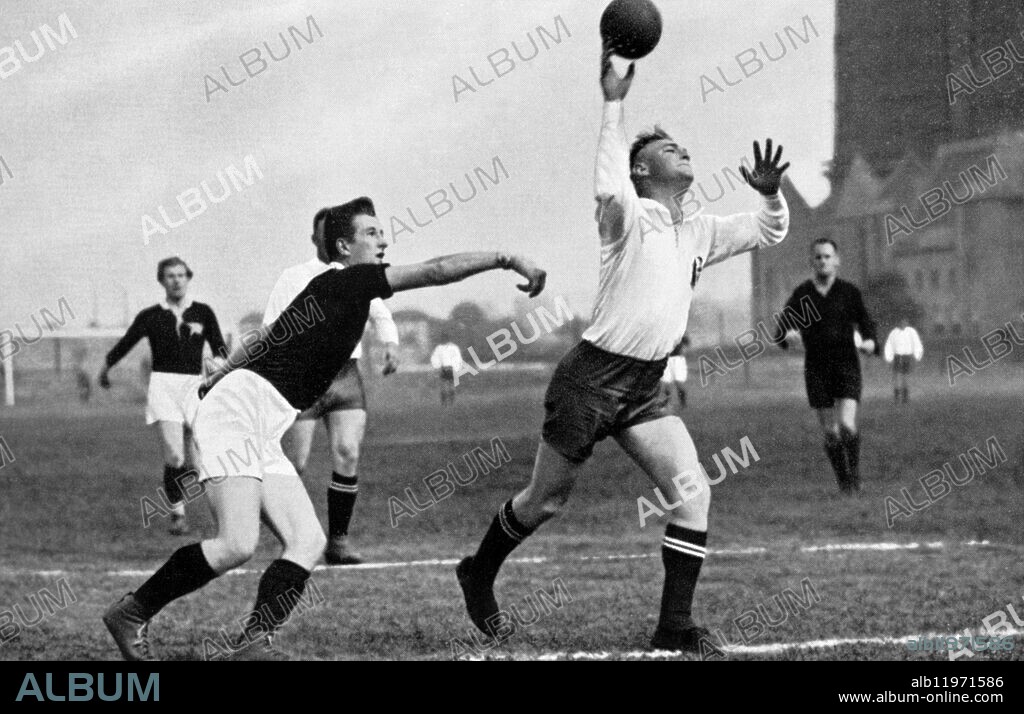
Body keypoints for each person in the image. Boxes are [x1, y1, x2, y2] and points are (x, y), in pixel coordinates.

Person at [102, 196, 546, 661]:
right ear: (343, 246)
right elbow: (435, 270)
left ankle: (254, 641)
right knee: (236, 544)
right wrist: (506, 257)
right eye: (371, 233)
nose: (383, 240)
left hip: (260, 420)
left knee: (309, 540)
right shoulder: (349, 280)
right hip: (237, 414)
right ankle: (131, 613)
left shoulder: (329, 291)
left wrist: (219, 370)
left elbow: (267, 337)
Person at [456, 44, 790, 655]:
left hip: (644, 384)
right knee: (546, 501)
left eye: (682, 147)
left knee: (693, 492)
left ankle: (675, 626)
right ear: (641, 172)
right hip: (589, 377)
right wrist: (614, 104)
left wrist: (770, 194)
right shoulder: (626, 216)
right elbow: (608, 183)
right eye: (667, 149)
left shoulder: (699, 230)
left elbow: (770, 230)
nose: (681, 152)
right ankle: (478, 573)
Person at [262, 209, 400, 565]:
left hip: (345, 378)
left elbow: (380, 312)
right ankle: (294, 537)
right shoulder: (294, 277)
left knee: (348, 453)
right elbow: (270, 329)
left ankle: (338, 542)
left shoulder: (360, 276)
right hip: (305, 379)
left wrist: (390, 343)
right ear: (318, 239)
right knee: (296, 462)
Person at [98, 257, 226, 535]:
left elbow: (220, 350)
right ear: (161, 280)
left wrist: (223, 372)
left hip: (196, 387)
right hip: (164, 387)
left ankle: (223, 517)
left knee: (201, 460)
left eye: (181, 275)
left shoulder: (203, 312)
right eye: (170, 276)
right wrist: (106, 367)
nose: (176, 280)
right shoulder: (151, 316)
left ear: (188, 278)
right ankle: (178, 515)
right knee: (175, 457)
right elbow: (126, 343)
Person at [780, 238, 878, 493]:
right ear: (811, 261)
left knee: (847, 425)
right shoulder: (804, 295)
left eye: (827, 256)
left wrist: (869, 340)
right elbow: (782, 328)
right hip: (817, 367)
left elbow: (866, 321)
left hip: (846, 364)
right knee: (831, 432)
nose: (823, 261)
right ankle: (843, 480)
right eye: (818, 257)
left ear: (837, 260)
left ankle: (854, 474)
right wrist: (788, 334)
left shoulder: (848, 292)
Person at [883, 318, 923, 404]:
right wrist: (889, 358)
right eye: (901, 322)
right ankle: (896, 397)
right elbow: (889, 345)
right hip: (897, 356)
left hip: (907, 356)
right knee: (897, 376)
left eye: (904, 322)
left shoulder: (911, 332)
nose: (903, 323)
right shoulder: (894, 333)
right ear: (899, 323)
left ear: (907, 322)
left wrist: (917, 356)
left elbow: (916, 343)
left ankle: (905, 397)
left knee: (905, 377)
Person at [430, 336, 463, 406]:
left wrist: (436, 367)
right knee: (451, 384)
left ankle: (444, 402)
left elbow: (435, 358)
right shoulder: (454, 347)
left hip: (444, 368)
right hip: (451, 368)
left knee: (444, 384)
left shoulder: (439, 348)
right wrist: (457, 368)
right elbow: (458, 358)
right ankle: (451, 401)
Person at [660, 337, 689, 414]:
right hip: (666, 359)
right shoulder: (664, 332)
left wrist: (682, 350)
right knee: (665, 383)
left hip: (677, 359)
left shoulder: (678, 328)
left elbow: (686, 341)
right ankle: (667, 404)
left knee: (678, 383)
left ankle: (683, 404)